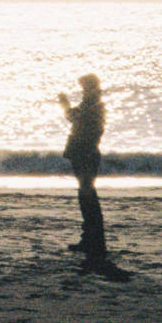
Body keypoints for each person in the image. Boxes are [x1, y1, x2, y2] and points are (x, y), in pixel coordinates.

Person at [58, 75, 110, 270]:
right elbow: (76, 119)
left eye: (84, 87)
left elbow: (75, 118)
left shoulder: (93, 106)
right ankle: (90, 239)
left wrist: (64, 104)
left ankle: (95, 242)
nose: (82, 90)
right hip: (85, 152)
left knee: (88, 197)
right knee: (86, 196)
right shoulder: (93, 104)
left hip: (86, 153)